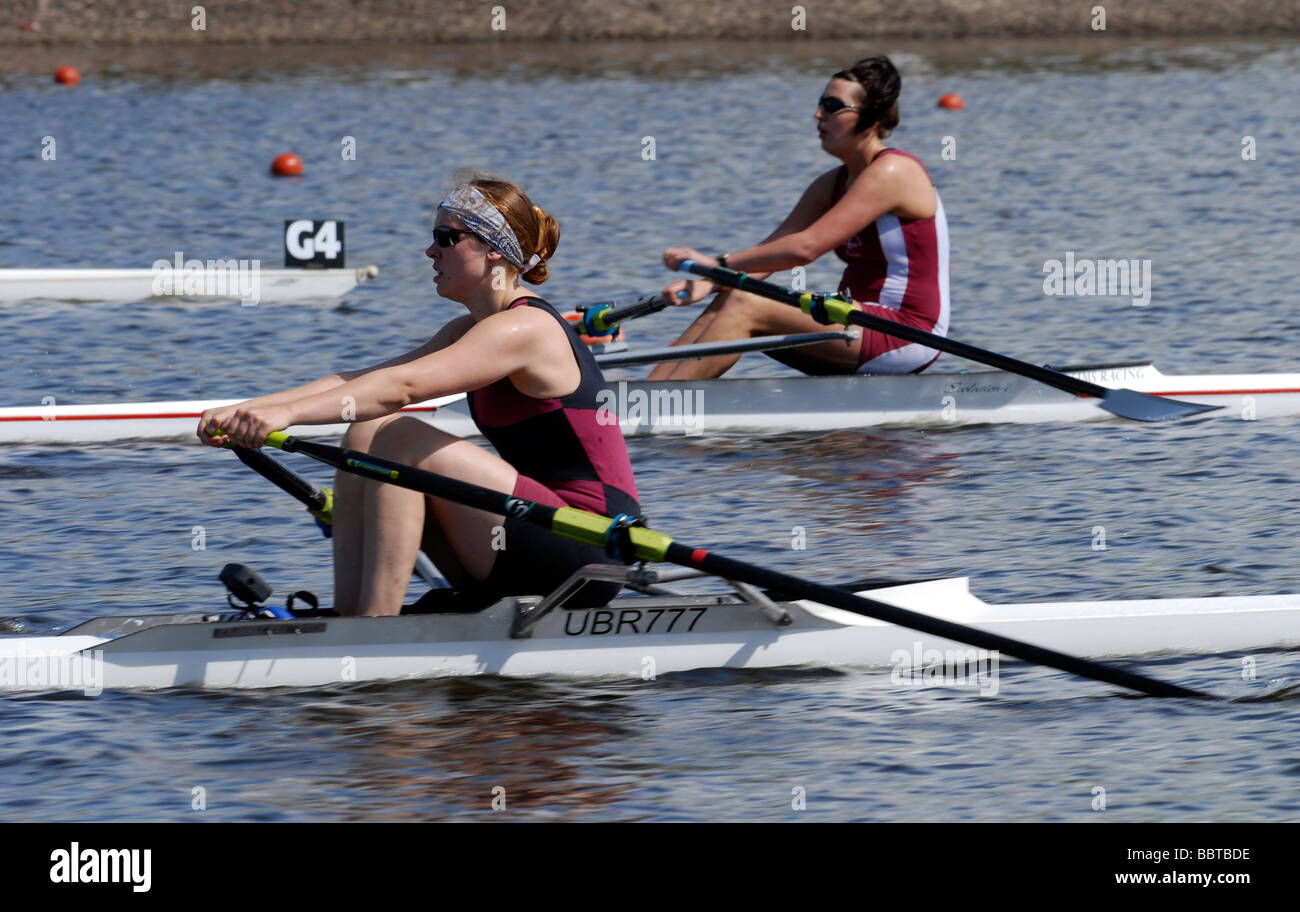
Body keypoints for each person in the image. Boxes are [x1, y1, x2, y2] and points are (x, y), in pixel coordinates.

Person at [197, 173, 640, 616]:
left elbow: (402, 389)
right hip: (526, 538)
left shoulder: (524, 329)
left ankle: (374, 630)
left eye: (446, 238)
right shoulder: (469, 330)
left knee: (401, 438)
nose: (431, 251)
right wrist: (251, 409)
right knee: (366, 427)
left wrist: (288, 416)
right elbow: (361, 381)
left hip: (590, 546)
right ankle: (352, 618)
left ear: (493, 250)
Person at [652, 55, 950, 380]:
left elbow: (805, 249)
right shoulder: (829, 184)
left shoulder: (894, 171)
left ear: (871, 118)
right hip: (853, 321)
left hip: (906, 332)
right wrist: (710, 282)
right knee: (732, 294)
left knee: (743, 301)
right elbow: (774, 251)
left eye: (833, 105)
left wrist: (717, 264)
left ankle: (654, 408)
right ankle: (638, 403)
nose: (818, 114)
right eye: (821, 103)